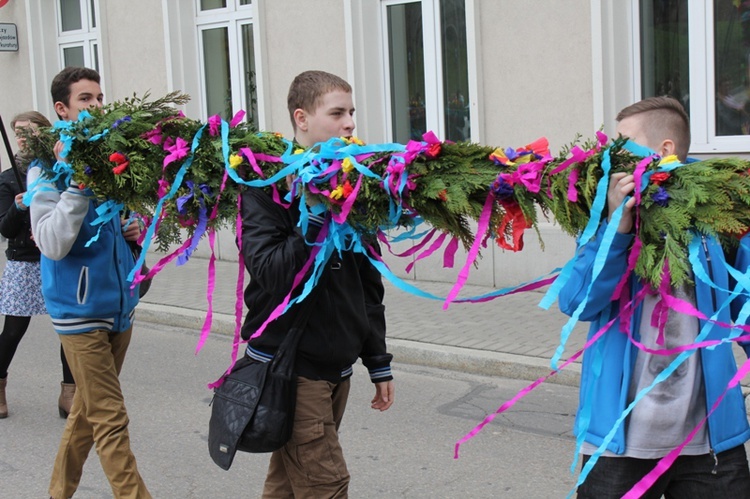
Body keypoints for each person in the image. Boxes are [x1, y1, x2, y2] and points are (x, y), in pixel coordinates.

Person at [558, 95, 750, 498]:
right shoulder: (606, 217)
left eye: (623, 145)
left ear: (663, 151)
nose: (611, 158)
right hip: (617, 442)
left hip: (710, 443)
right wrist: (616, 230)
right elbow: (576, 302)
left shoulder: (721, 221)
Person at [240, 70, 395, 498]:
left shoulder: (355, 183)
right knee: (326, 485)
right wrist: (316, 213)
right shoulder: (266, 186)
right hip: (292, 367)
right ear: (302, 118)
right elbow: (271, 273)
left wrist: (377, 360)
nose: (350, 123)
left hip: (338, 367)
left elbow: (367, 283)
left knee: (289, 484)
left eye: (352, 113)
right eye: (338, 113)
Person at [28, 67, 150, 498]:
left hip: (120, 306)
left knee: (86, 413)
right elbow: (50, 242)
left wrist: (133, 227)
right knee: (110, 417)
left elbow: (118, 226)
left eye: (99, 97)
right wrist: (77, 187)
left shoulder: (108, 159)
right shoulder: (45, 169)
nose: (96, 106)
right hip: (78, 313)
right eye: (85, 99)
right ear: (62, 109)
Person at [0, 111, 76, 420]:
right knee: (14, 330)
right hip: (24, 263)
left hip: (57, 259)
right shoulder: (7, 178)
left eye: (28, 132)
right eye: (17, 132)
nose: (21, 137)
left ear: (43, 134)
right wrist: (19, 206)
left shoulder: (56, 171)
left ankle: (68, 394)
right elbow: (4, 229)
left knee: (68, 331)